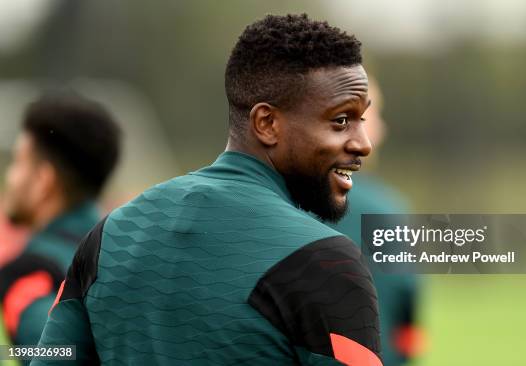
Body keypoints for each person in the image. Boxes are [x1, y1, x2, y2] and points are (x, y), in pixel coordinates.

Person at [34, 14, 382, 365]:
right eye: (341, 121)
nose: (363, 143)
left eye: (362, 119)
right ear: (267, 124)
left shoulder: (109, 235)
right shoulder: (324, 261)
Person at [0, 93, 121, 348]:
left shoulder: (33, 274)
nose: (9, 177)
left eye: (18, 162)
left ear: (44, 181)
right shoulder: (125, 248)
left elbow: (63, 354)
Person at [329, 79, 423, 365]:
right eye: (374, 117)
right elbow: (408, 319)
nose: (382, 130)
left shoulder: (275, 200)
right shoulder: (386, 210)